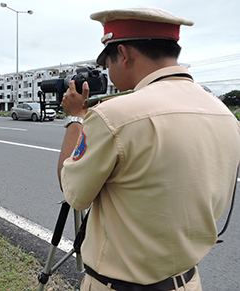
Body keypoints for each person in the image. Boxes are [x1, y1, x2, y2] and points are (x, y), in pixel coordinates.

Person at [58, 7, 240, 291]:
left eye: (108, 63)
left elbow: (73, 192)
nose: (108, 72)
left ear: (124, 54)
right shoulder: (224, 114)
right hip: (188, 282)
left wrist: (74, 118)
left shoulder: (114, 116)